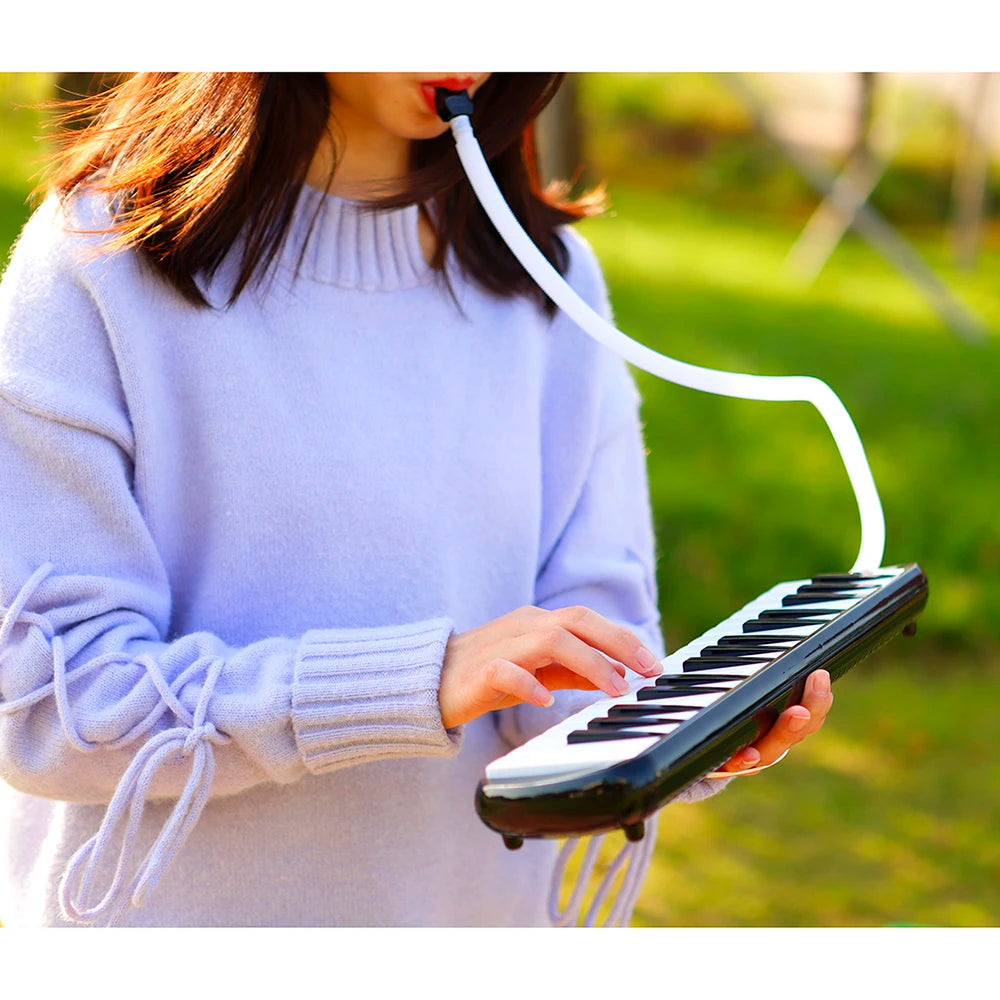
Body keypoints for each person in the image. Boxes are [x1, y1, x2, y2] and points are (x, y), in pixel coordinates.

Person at [0, 72, 833, 927]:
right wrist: (416, 681)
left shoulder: (554, 282)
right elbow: (50, 709)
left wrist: (691, 735)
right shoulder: (96, 259)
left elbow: (581, 680)